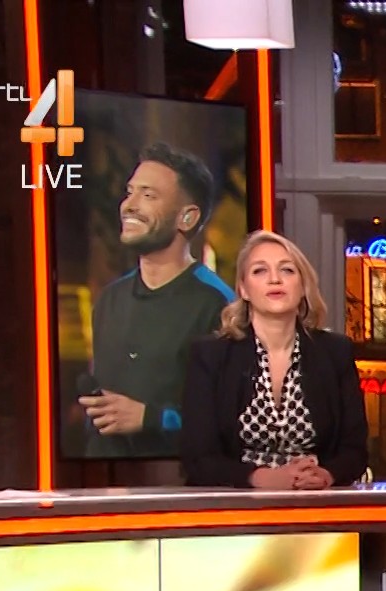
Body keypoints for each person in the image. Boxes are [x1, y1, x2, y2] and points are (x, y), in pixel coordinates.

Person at [180, 230, 368, 489]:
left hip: (315, 500)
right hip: (235, 501)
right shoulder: (211, 355)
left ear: (302, 286)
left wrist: (326, 475)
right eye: (260, 271)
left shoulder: (335, 352)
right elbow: (198, 459)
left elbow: (355, 451)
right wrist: (264, 478)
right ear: (244, 289)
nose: (275, 279)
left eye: (287, 270)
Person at [83, 143, 234, 458]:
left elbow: (232, 417)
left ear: (187, 218)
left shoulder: (218, 305)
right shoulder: (110, 299)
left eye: (148, 195)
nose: (129, 205)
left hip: (177, 480)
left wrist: (151, 418)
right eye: (130, 192)